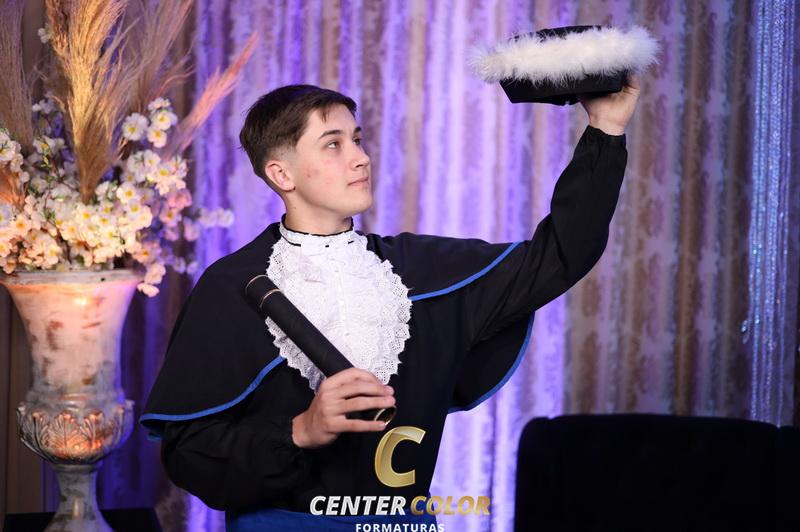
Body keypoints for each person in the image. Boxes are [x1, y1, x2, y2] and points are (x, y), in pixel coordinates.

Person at [141, 78, 640, 530]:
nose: (360, 157)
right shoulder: (232, 287)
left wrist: (606, 127)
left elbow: (558, 256)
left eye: (357, 139)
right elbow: (188, 453)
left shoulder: (423, 272)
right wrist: (300, 431)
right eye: (333, 144)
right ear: (281, 174)